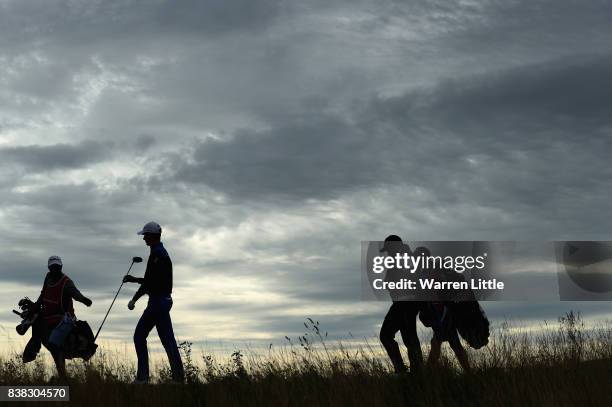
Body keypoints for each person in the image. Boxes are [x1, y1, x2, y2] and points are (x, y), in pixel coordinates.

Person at [123, 221, 184, 384]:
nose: (143, 239)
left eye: (145, 235)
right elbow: (150, 282)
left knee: (140, 336)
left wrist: (134, 283)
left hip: (158, 302)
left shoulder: (159, 255)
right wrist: (135, 296)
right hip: (160, 301)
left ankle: (143, 378)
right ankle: (178, 379)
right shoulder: (157, 253)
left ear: (152, 236)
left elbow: (151, 283)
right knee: (167, 340)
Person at [29, 255, 92, 379]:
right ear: (49, 268)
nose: (54, 269)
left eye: (56, 267)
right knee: (36, 329)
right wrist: (35, 307)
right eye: (52, 267)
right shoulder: (48, 278)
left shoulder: (66, 282)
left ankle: (63, 376)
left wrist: (84, 300)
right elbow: (43, 294)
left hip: (65, 319)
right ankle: (34, 350)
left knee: (53, 344)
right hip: (48, 316)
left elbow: (76, 294)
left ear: (61, 267)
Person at [378, 235, 425, 374]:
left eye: (389, 249)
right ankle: (416, 373)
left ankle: (402, 371)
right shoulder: (405, 258)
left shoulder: (403, 259)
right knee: (410, 338)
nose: (387, 253)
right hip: (407, 304)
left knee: (387, 336)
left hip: (404, 303)